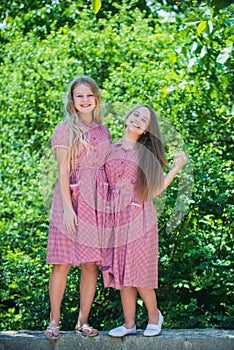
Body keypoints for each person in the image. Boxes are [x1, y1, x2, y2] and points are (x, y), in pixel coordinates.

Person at [102, 105, 187, 337]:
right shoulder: (110, 149)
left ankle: (154, 316)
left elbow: (156, 189)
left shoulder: (145, 153)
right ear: (128, 117)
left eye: (145, 120)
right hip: (115, 218)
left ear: (148, 130)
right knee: (122, 271)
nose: (138, 120)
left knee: (139, 271)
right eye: (136, 115)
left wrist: (177, 167)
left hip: (139, 215)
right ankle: (129, 324)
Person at [45, 76, 111, 340]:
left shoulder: (103, 131)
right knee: (61, 262)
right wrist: (68, 209)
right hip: (69, 201)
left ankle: (82, 321)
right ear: (72, 101)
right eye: (79, 96)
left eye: (89, 95)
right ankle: (54, 320)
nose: (84, 100)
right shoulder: (65, 129)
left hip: (95, 203)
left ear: (96, 98)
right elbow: (63, 171)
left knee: (90, 265)